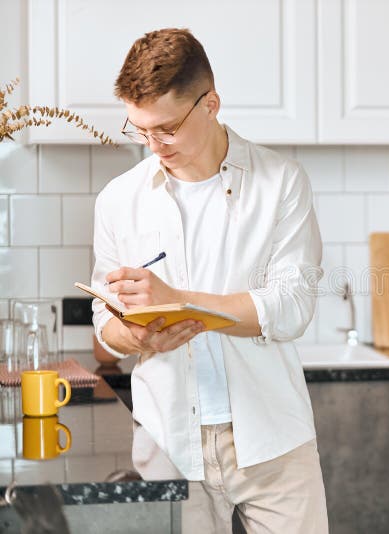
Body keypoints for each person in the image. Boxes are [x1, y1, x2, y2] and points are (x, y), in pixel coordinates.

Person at [90, 28, 328, 533]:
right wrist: (133, 333)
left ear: (211, 103)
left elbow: (291, 306)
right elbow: (104, 328)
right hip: (168, 442)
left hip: (273, 440)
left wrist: (180, 302)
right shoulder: (118, 199)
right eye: (140, 129)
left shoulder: (281, 181)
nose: (153, 145)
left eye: (167, 129)